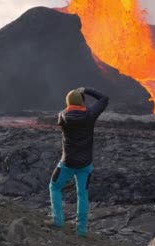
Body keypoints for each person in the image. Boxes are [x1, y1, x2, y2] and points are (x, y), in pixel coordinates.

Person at [47, 87, 109, 237]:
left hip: (67, 163)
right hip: (85, 164)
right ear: (82, 101)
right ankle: (81, 230)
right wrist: (86, 90)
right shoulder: (90, 115)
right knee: (82, 194)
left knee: (54, 187)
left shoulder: (62, 116)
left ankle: (58, 220)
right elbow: (104, 99)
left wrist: (73, 100)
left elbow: (68, 110)